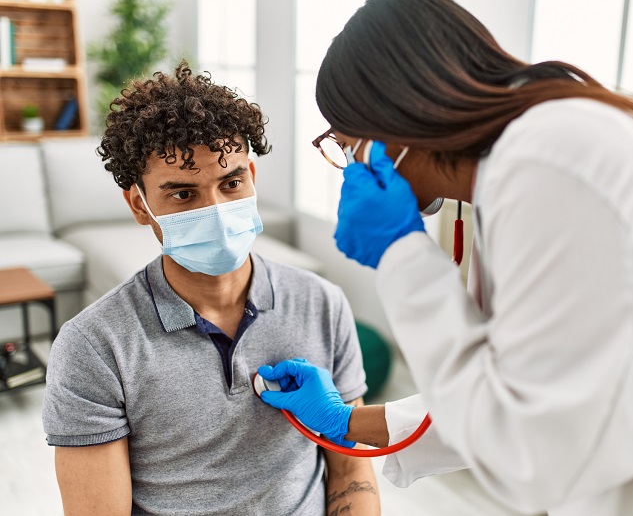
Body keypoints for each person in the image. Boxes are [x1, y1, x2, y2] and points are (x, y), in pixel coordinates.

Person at [256, 0, 633, 515]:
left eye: (348, 143)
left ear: (395, 119)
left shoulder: (549, 167)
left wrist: (402, 258)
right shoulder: (542, 152)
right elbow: (520, 391)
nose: (351, 165)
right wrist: (346, 422)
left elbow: (531, 454)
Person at [41, 62, 380, 516]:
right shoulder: (94, 346)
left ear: (252, 179)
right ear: (138, 204)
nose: (216, 211)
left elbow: (351, 472)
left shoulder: (323, 303)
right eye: (183, 194)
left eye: (231, 183)